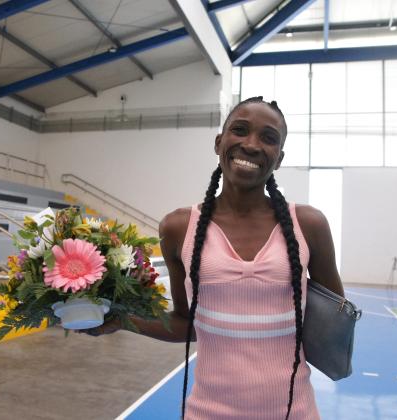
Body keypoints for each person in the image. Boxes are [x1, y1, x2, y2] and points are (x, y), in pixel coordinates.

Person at [84, 97, 344, 420]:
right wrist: (120, 319)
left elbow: (335, 326)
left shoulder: (309, 225)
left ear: (279, 159)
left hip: (295, 412)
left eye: (268, 138)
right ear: (219, 142)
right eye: (240, 130)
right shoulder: (179, 227)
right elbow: (186, 325)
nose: (251, 145)